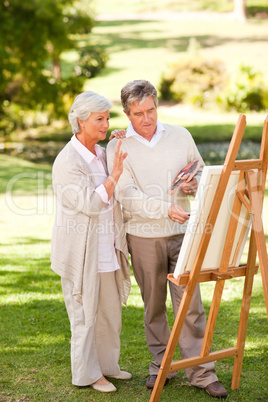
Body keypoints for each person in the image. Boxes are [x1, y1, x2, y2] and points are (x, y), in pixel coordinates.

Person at [106, 80, 228, 398]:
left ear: (156, 105)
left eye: (151, 110)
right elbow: (126, 196)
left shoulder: (180, 135)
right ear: (126, 113)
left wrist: (194, 184)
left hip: (183, 233)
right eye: (138, 113)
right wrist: (164, 209)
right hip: (143, 236)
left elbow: (201, 171)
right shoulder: (117, 147)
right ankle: (161, 364)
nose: (147, 119)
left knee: (190, 305)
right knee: (154, 307)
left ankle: (202, 372)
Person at [51, 91, 132, 393]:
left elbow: (115, 182)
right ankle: (88, 374)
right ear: (81, 121)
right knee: (85, 315)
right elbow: (89, 203)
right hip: (82, 251)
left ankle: (108, 366)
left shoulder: (99, 152)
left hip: (106, 246)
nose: (106, 123)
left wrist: (117, 144)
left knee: (110, 311)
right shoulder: (68, 161)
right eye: (100, 119)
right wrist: (114, 176)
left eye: (107, 117)